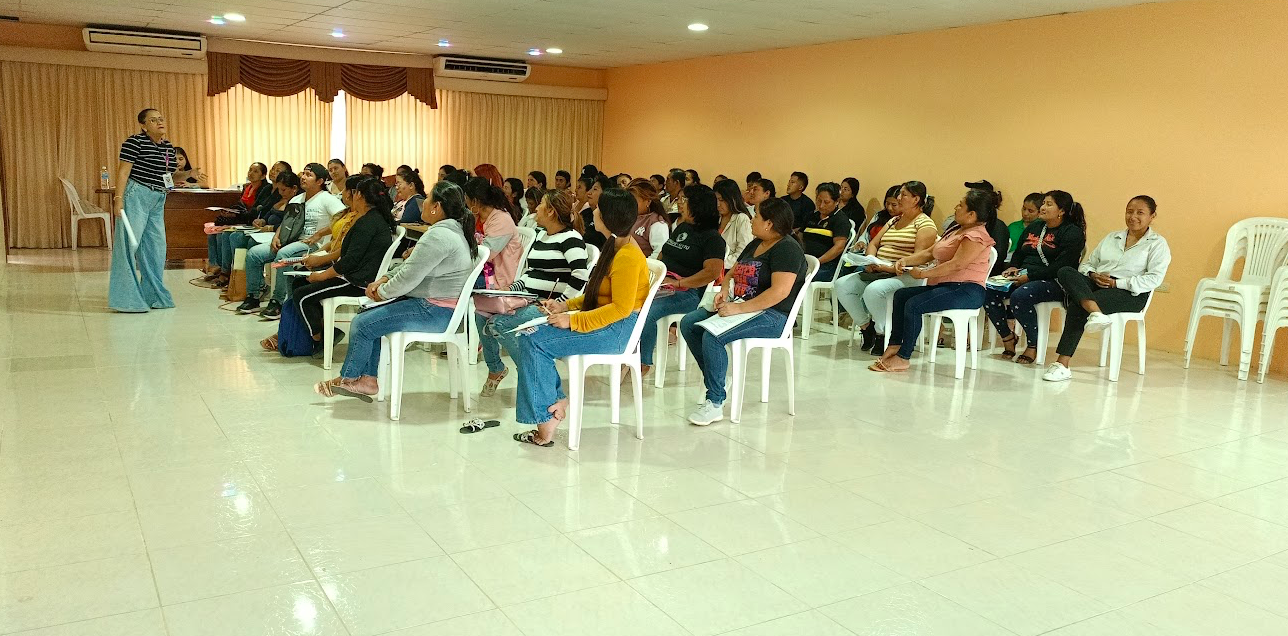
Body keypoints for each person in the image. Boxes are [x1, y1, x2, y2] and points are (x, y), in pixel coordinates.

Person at [506, 188, 651, 447]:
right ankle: (554, 403)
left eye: (598, 208)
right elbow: (596, 294)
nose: (593, 210)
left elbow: (620, 309)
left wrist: (573, 321)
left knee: (533, 340)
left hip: (617, 330)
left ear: (606, 217)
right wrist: (564, 306)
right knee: (528, 335)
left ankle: (547, 419)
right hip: (603, 320)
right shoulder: (614, 245)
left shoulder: (628, 256)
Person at [315, 181, 479, 401]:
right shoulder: (449, 231)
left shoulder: (439, 236)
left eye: (427, 199)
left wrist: (382, 292)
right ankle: (367, 380)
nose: (423, 203)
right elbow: (409, 266)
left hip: (435, 312)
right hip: (437, 308)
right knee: (367, 314)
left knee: (363, 324)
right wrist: (384, 279)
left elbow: (409, 277)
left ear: (436, 207)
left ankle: (349, 379)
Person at [680, 199, 807, 425]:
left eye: (756, 215)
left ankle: (715, 402)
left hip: (772, 315)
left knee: (712, 335)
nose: (751, 220)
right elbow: (732, 272)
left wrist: (737, 308)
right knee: (689, 323)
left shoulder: (787, 249)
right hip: (742, 305)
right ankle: (718, 378)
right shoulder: (756, 243)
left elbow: (779, 292)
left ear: (769, 223)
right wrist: (724, 291)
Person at [1043, 195, 1171, 381]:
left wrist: (1116, 283)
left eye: (1140, 213)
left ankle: (1062, 364)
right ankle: (1095, 312)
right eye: (1129, 212)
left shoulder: (1157, 244)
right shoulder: (1112, 238)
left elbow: (1153, 279)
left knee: (1078, 304)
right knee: (1065, 271)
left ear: (1152, 216)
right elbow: (1088, 264)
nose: (1133, 217)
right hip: (1098, 283)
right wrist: (1093, 275)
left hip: (1130, 293)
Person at [870, 189, 998, 372]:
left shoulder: (976, 235)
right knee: (901, 296)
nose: (956, 207)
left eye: (960, 205)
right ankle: (895, 345)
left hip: (967, 290)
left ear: (971, 214)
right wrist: (905, 260)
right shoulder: (956, 228)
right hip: (946, 286)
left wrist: (923, 274)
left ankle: (903, 357)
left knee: (914, 305)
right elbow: (931, 252)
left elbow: (956, 265)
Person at [477, 189, 589, 397]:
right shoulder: (541, 235)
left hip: (548, 304)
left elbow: (580, 275)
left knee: (499, 323)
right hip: (527, 298)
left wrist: (561, 303)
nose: (536, 208)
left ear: (551, 211)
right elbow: (531, 273)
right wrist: (510, 289)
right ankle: (496, 368)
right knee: (482, 312)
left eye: (541, 204)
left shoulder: (570, 238)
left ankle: (535, 372)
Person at [265, 176, 395, 352]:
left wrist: (322, 276)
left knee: (302, 296)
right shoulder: (369, 219)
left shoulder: (368, 223)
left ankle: (319, 340)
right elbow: (347, 254)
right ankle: (324, 331)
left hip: (357, 282)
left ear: (359, 195)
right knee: (299, 283)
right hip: (353, 274)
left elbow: (349, 261)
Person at [984, 190, 1087, 364]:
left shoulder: (1072, 233)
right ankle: (1008, 337)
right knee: (987, 290)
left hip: (1054, 281)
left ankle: (1033, 344)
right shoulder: (1035, 227)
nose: (1043, 207)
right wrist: (1014, 267)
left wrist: (1029, 277)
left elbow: (1061, 267)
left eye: (1049, 204)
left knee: (1021, 295)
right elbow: (1019, 252)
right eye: (1043, 203)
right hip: (1024, 276)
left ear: (1061, 211)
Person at [108, 108, 195, 313]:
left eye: (161, 119)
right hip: (137, 194)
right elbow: (123, 172)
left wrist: (189, 173)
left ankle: (153, 295)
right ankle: (126, 300)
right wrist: (118, 199)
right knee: (129, 245)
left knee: (156, 248)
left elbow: (169, 177)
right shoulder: (134, 142)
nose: (159, 122)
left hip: (158, 198)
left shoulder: (167, 147)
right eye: (153, 120)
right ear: (144, 126)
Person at [834, 181, 938, 351]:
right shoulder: (894, 220)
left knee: (873, 290)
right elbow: (874, 243)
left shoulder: (925, 224)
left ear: (916, 199)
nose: (899, 198)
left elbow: (919, 258)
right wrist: (870, 260)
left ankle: (883, 333)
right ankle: (866, 327)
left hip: (906, 275)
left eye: (904, 195)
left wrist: (888, 267)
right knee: (842, 285)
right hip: (880, 271)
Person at [638, 184, 726, 377]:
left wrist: (679, 283)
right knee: (631, 301)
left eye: (684, 200)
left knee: (647, 310)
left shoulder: (712, 239)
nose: (679, 203)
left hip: (690, 293)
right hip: (664, 285)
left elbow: (711, 272)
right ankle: (627, 352)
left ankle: (643, 363)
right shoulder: (683, 227)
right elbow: (664, 253)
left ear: (698, 205)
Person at [239, 163, 346, 318]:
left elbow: (343, 221)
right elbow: (286, 222)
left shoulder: (328, 199)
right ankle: (253, 296)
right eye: (304, 173)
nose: (303, 177)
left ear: (319, 181)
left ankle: (278, 301)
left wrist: (320, 233)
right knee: (254, 254)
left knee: (284, 255)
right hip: (290, 241)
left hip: (312, 245)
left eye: (309, 175)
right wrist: (276, 237)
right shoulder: (296, 199)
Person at [203, 161, 272, 285]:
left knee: (224, 235)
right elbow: (240, 206)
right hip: (241, 219)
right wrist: (230, 211)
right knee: (212, 233)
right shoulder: (246, 187)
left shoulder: (265, 189)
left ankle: (227, 272)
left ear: (263, 176)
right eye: (250, 170)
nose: (251, 173)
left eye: (255, 171)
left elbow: (255, 211)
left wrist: (235, 214)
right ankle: (215, 267)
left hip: (249, 221)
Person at [464, 176, 524, 300]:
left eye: (466, 198)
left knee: (457, 282)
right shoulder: (477, 216)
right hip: (482, 270)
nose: (465, 202)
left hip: (497, 276)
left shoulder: (501, 220)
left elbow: (485, 254)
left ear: (475, 201)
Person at [798, 182, 851, 281]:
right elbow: (800, 237)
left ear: (836, 202)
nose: (821, 205)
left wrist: (817, 261)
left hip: (826, 265)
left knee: (799, 278)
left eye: (826, 202)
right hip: (804, 260)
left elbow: (839, 247)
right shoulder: (811, 216)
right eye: (819, 201)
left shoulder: (840, 220)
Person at [714, 178, 754, 269]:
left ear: (732, 199)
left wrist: (720, 264)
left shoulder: (741, 219)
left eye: (721, 200)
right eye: (716, 200)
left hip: (730, 269)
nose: (718, 204)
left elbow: (743, 252)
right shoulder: (716, 217)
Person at [626, 177, 671, 256]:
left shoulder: (657, 223)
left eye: (633, 200)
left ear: (648, 201)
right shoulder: (628, 216)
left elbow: (659, 253)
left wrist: (643, 263)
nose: (629, 204)